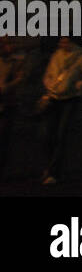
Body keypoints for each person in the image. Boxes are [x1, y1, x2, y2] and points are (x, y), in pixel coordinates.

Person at [39, 36, 82, 184]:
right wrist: (49, 84)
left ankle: (54, 171)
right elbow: (48, 74)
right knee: (47, 134)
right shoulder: (56, 55)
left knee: (61, 135)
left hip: (70, 100)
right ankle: (49, 166)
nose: (62, 44)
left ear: (73, 42)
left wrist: (79, 85)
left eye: (66, 41)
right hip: (54, 98)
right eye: (61, 41)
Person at [0, 40, 30, 182]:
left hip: (8, 104)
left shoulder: (16, 61)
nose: (8, 47)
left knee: (4, 139)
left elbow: (20, 78)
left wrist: (6, 87)